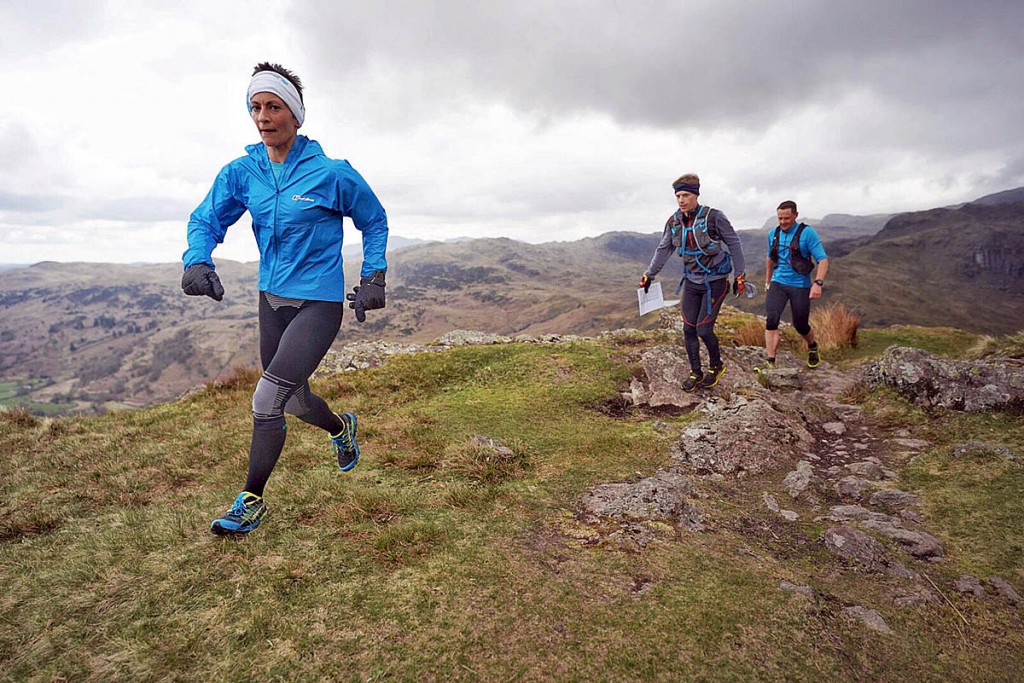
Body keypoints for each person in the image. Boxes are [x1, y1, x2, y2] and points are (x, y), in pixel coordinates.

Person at [182, 62, 389, 536]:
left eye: (273, 106)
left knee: (266, 398)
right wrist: (197, 260)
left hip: (317, 303)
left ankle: (251, 501)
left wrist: (373, 275)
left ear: (295, 114)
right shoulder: (243, 172)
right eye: (255, 107)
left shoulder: (332, 174)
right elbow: (206, 218)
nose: (262, 116)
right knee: (293, 401)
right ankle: (341, 429)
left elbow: (373, 219)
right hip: (270, 299)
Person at [639, 173, 748, 391]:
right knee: (688, 329)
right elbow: (664, 249)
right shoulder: (674, 222)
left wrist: (740, 274)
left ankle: (716, 366)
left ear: (696, 195)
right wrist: (649, 274)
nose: (681, 200)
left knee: (704, 330)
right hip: (691, 282)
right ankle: (696, 372)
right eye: (678, 195)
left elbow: (734, 244)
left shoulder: (714, 217)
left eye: (686, 195)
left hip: (715, 282)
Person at [762, 200, 829, 369]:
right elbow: (770, 258)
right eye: (780, 218)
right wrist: (768, 282)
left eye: (787, 218)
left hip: (800, 284)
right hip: (778, 282)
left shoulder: (808, 233)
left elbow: (823, 259)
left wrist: (818, 283)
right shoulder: (773, 234)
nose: (783, 222)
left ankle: (812, 346)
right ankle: (770, 361)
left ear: (795, 215)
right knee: (771, 319)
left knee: (800, 325)